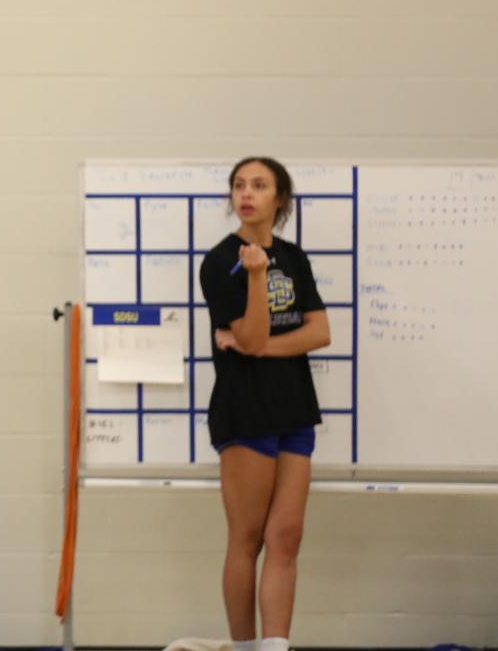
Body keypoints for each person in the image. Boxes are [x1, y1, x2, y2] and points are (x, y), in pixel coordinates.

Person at [198, 157, 331, 651]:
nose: (246, 193)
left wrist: (259, 346)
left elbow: (319, 332)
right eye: (238, 185)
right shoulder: (220, 261)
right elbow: (250, 332)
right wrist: (255, 277)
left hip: (294, 406)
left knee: (287, 536)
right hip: (246, 408)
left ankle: (275, 646)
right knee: (247, 538)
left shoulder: (294, 257)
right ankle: (244, 646)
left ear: (280, 199)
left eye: (259, 185)